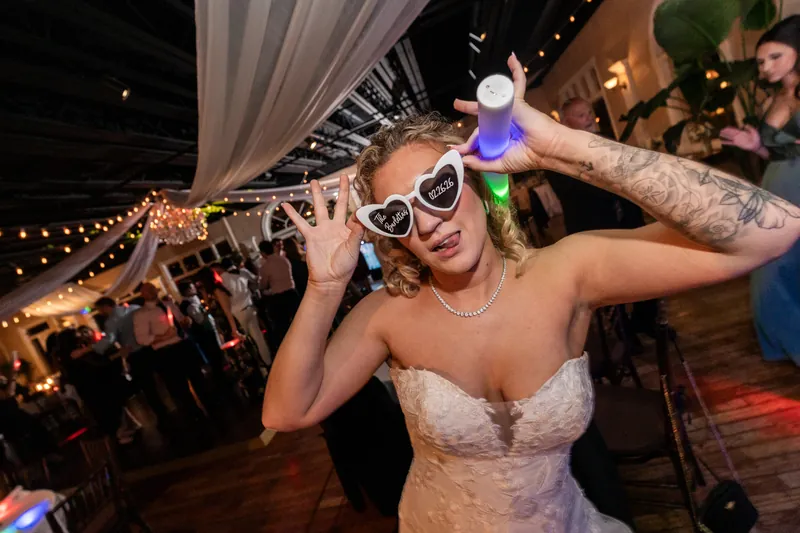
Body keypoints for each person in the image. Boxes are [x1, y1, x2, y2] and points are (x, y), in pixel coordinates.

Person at [261, 53, 800, 532]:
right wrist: (326, 287)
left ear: (471, 176)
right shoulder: (387, 315)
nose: (427, 223)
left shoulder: (565, 272)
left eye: (439, 187)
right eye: (400, 214)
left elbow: (773, 229)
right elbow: (286, 412)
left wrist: (565, 149)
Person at [720, 15, 800, 366]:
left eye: (775, 57)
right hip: (777, 189)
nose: (766, 67)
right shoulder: (775, 99)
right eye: (761, 61)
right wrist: (754, 145)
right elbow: (778, 151)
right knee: (770, 278)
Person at [133, 283, 210, 421]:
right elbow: (142, 339)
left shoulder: (168, 304)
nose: (152, 291)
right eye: (148, 290)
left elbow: (180, 319)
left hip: (184, 345)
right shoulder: (141, 314)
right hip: (167, 352)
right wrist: (164, 336)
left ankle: (212, 407)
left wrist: (186, 321)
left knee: (198, 378)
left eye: (153, 288)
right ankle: (195, 416)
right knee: (180, 388)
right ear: (143, 295)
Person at [94, 297, 169, 434]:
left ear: (106, 307)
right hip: (152, 347)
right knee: (166, 376)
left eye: (100, 309)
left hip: (136, 355)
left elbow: (108, 340)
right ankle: (178, 403)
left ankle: (163, 414)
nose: (100, 313)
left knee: (149, 388)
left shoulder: (112, 321)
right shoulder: (134, 308)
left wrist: (92, 349)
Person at [205, 263, 272, 367]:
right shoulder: (237, 274)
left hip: (237, 314)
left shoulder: (221, 283)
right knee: (259, 338)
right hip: (249, 307)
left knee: (245, 343)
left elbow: (226, 308)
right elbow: (255, 281)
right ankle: (268, 362)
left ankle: (258, 366)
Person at [178, 281, 231, 395]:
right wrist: (206, 311)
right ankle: (222, 383)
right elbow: (199, 320)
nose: (195, 289)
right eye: (192, 287)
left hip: (210, 331)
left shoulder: (195, 299)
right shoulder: (187, 305)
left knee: (218, 354)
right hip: (204, 335)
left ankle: (225, 376)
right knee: (214, 357)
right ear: (187, 290)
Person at [258, 240, 300, 347]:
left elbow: (262, 285)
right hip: (292, 293)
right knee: (300, 320)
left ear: (263, 253)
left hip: (279, 299)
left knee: (282, 327)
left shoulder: (266, 267)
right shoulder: (284, 260)